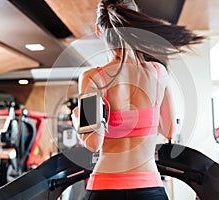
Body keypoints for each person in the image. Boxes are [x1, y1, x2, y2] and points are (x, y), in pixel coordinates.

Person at [72, 0, 204, 199]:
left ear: (99, 31)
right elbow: (169, 130)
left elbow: (93, 143)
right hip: (149, 187)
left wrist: (77, 118)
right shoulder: (159, 73)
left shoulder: (93, 78)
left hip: (104, 188)